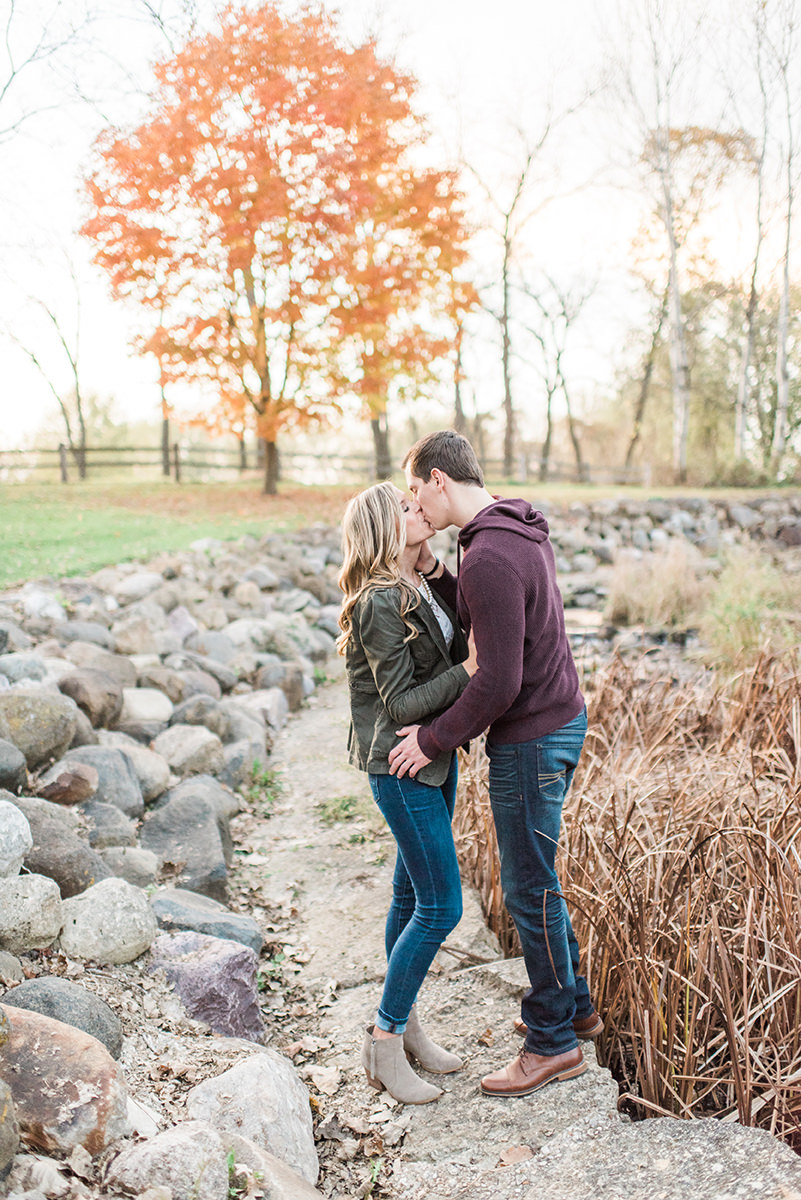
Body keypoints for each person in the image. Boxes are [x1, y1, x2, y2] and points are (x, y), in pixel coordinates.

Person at [388, 430, 601, 1098]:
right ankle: (576, 1009)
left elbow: (497, 680)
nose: (413, 505)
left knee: (527, 888)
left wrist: (431, 740)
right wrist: (430, 572)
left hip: (532, 738)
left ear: (436, 480)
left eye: (414, 490)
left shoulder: (487, 554)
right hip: (559, 718)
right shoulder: (512, 528)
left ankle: (551, 1043)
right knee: (539, 878)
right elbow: (494, 619)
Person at [337, 480, 478, 1104]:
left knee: (408, 895)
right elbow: (398, 703)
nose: (416, 509)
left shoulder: (411, 585)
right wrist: (471, 671)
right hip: (402, 767)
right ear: (381, 528)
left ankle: (407, 1024)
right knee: (442, 906)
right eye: (403, 506)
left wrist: (430, 564)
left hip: (433, 762)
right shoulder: (377, 602)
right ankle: (385, 1040)